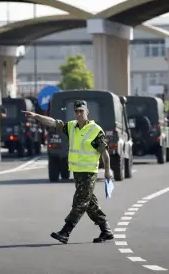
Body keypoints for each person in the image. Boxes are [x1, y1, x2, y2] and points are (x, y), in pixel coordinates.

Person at [23, 100, 114, 244]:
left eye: (81, 111)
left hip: (89, 172)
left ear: (87, 112)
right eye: (76, 111)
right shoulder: (71, 126)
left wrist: (108, 171)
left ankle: (65, 232)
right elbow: (52, 122)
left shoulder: (95, 130)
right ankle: (106, 230)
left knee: (79, 203)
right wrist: (36, 115)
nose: (78, 114)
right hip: (77, 172)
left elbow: (105, 153)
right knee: (90, 203)